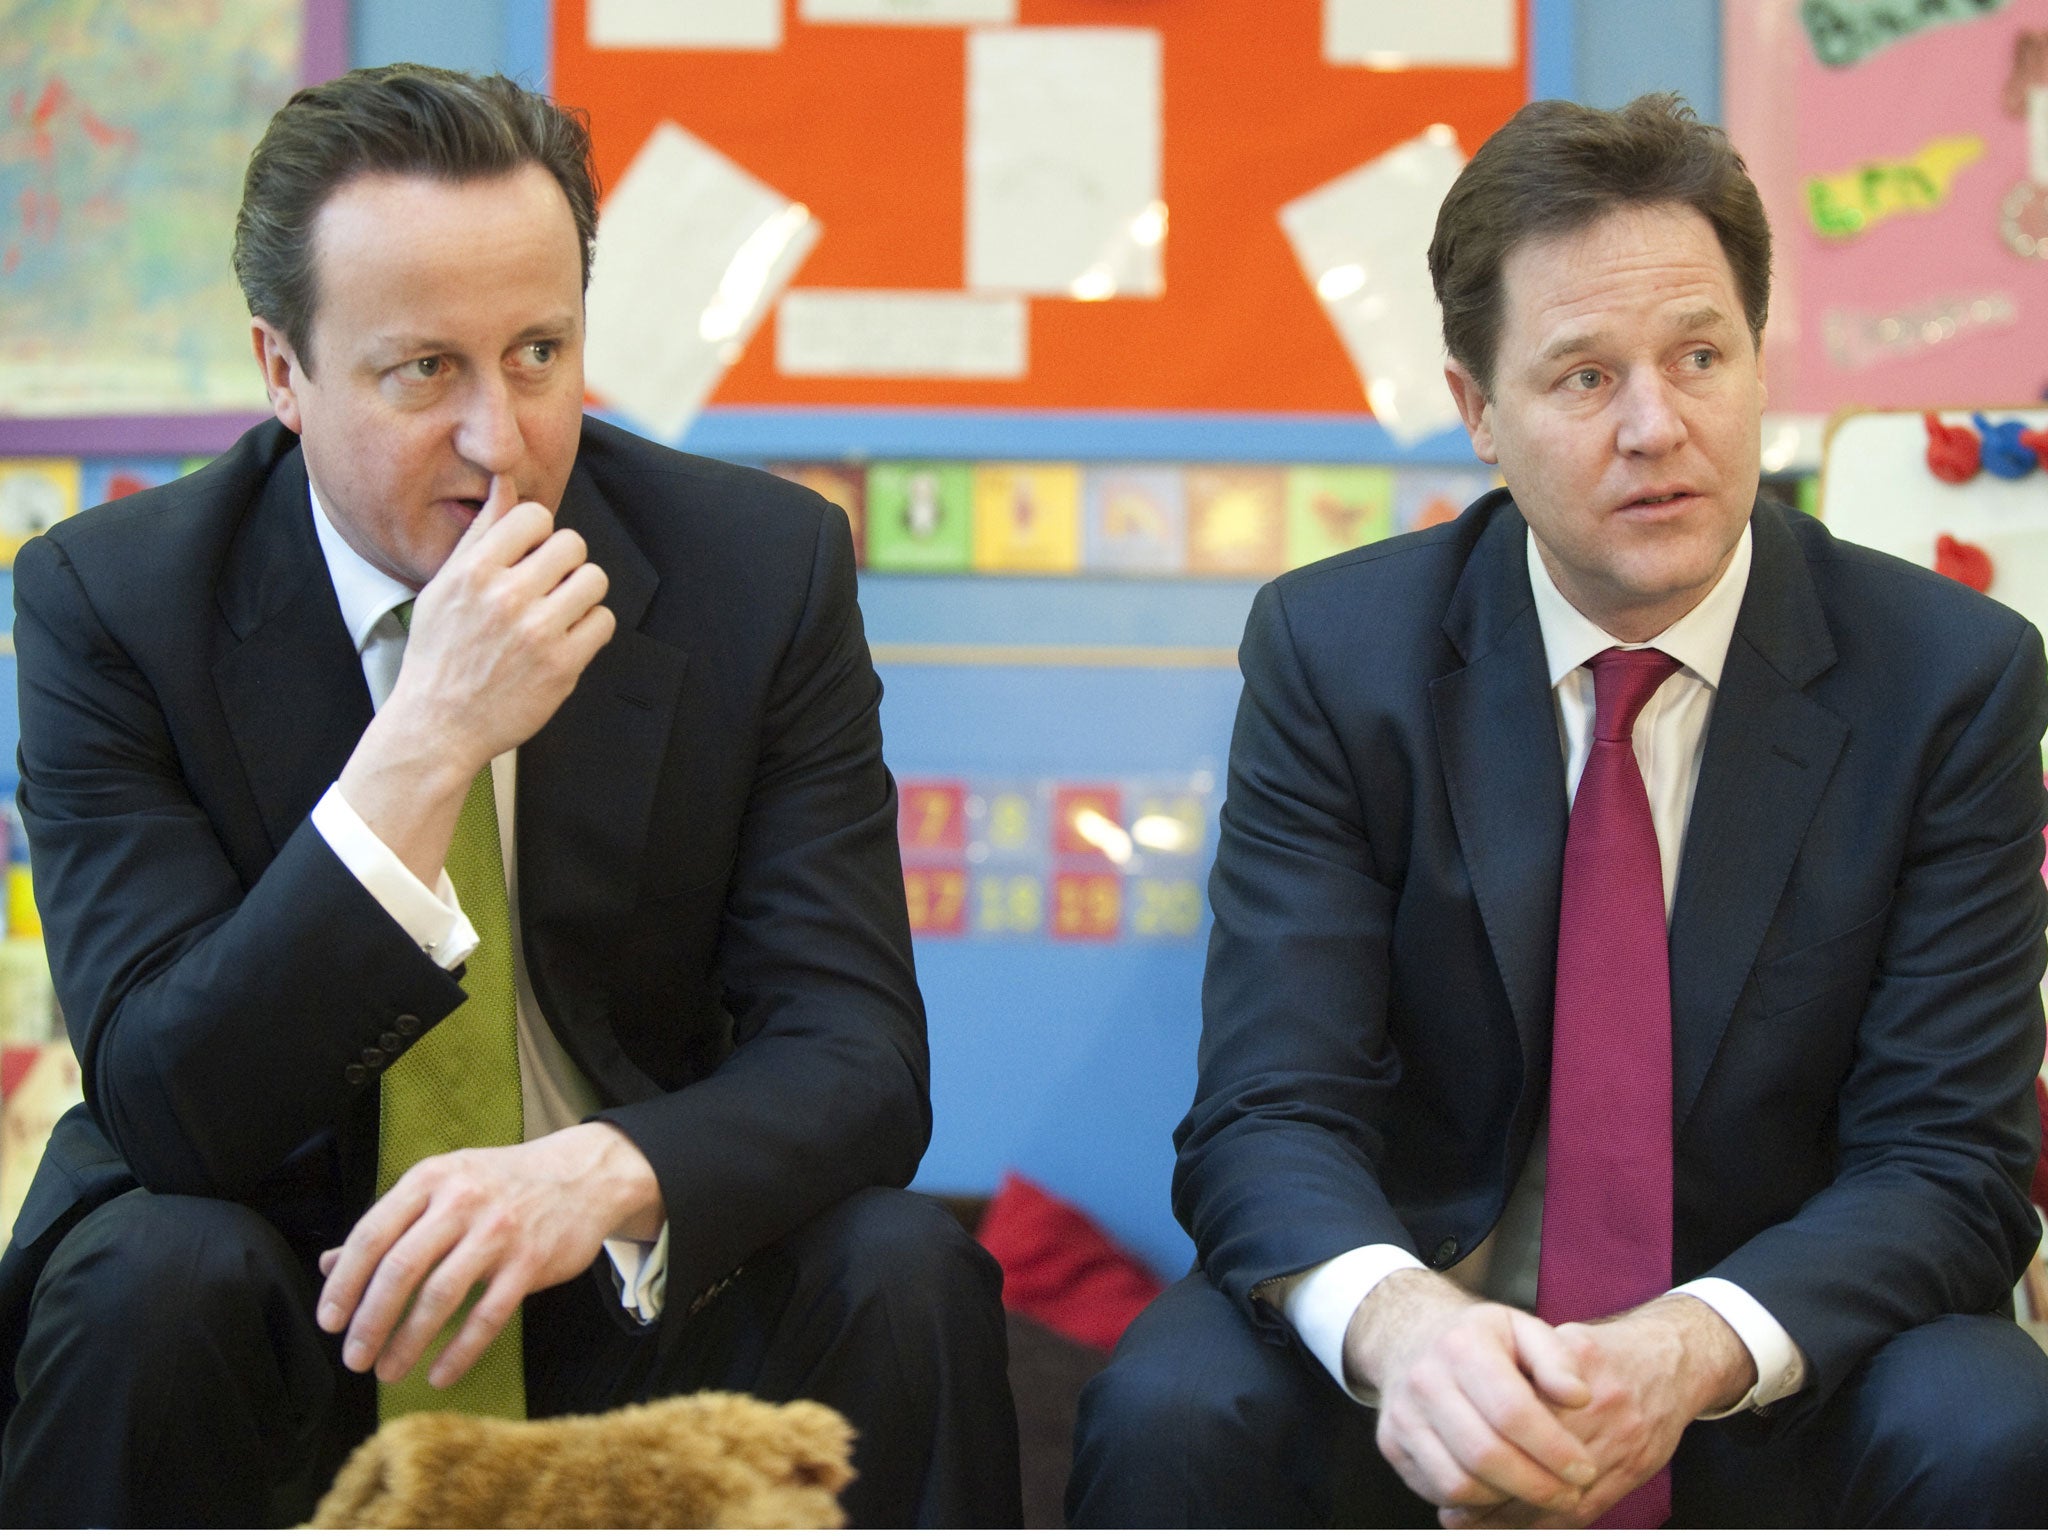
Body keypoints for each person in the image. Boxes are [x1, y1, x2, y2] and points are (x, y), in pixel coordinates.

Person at [0, 65, 1020, 1528]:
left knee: (906, 1268)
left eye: (540, 350)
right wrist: (425, 739)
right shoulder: (114, 602)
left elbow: (859, 1057)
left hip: (625, 1278)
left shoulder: (758, 568)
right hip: (286, 1289)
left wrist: (606, 1173)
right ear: (281, 372)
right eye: (425, 372)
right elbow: (171, 1105)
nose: (503, 440)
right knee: (152, 1270)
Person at [1069, 94, 2048, 1527]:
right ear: (1478, 413)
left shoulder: (1949, 679)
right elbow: (1268, 1114)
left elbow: (1950, 1164)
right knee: (1170, 1404)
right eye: (1585, 378)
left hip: (1773, 1356)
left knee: (1993, 1421)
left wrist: (1687, 1347)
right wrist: (1409, 1336)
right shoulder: (1339, 659)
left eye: (1699, 357)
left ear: (1757, 365)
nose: (1658, 426)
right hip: (1436, 1343)